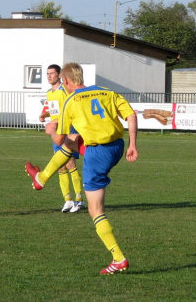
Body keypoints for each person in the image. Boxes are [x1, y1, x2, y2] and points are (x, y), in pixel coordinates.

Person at [25, 62, 139, 275]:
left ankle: (118, 258)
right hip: (117, 146)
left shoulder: (71, 101)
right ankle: (41, 178)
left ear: (66, 81)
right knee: (72, 140)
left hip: (97, 154)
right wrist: (133, 144)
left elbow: (57, 138)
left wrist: (51, 129)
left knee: (95, 210)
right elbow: (131, 115)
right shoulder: (106, 92)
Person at [38, 64, 83, 213]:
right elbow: (55, 111)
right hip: (57, 130)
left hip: (67, 128)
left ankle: (79, 199)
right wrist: (45, 115)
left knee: (70, 163)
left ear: (59, 75)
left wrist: (61, 122)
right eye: (47, 73)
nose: (49, 76)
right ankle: (67, 200)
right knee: (60, 167)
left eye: (52, 73)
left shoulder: (65, 90)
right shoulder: (50, 93)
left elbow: (70, 109)